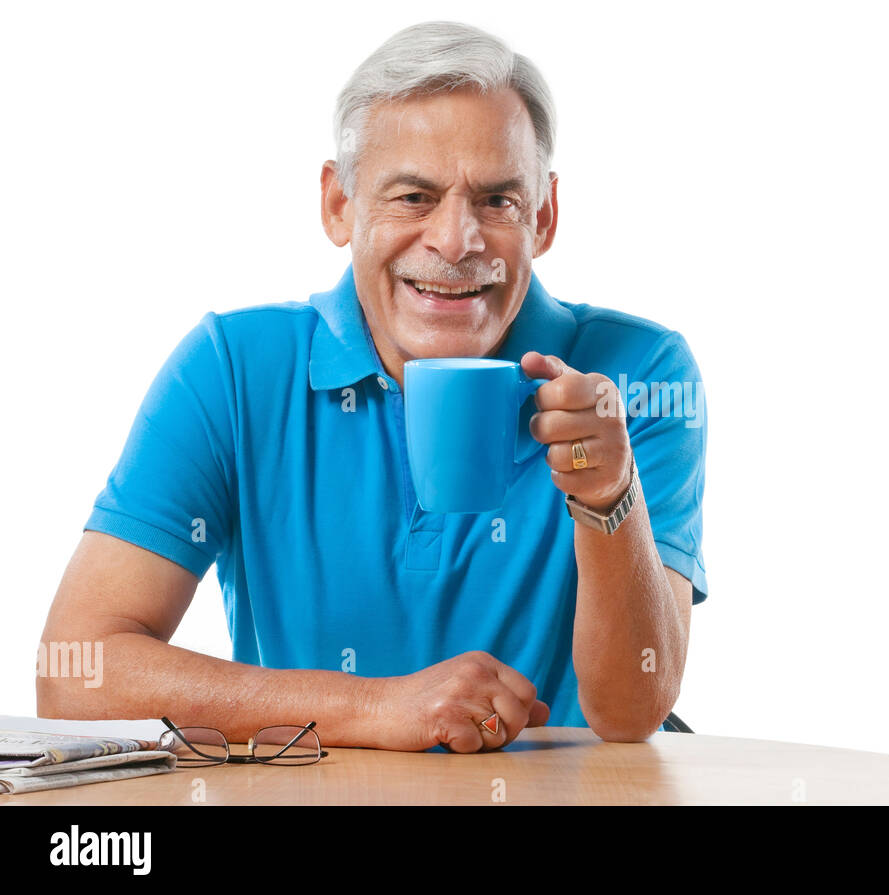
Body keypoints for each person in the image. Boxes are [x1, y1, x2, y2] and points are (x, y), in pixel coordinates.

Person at [36, 21, 707, 753]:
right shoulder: (232, 368)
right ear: (338, 206)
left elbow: (632, 710)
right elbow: (76, 671)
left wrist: (610, 494)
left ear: (543, 215)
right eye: (415, 196)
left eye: (498, 201)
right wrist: (374, 707)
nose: (456, 241)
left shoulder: (641, 373)